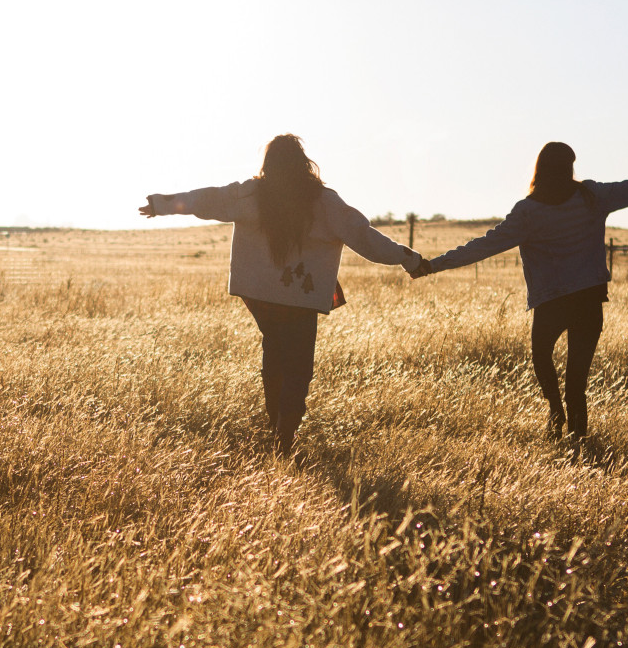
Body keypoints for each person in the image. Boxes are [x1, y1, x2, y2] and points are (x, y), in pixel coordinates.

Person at [412, 142, 628, 438]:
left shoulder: (530, 211)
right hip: (589, 299)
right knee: (576, 381)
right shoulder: (591, 196)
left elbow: (482, 246)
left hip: (552, 301)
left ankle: (555, 411)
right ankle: (578, 439)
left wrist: (432, 266)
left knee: (541, 357)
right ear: (568, 167)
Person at [141, 134, 424, 455]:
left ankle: (277, 430)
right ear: (303, 162)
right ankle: (284, 438)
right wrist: (408, 258)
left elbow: (208, 200)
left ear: (268, 163)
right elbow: (364, 237)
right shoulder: (324, 201)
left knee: (274, 355)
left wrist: (162, 205)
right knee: (298, 368)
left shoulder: (251, 195)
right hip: (301, 299)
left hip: (261, 298)